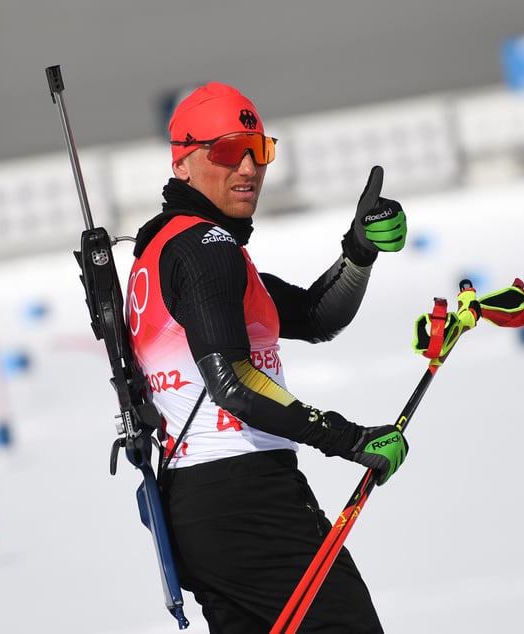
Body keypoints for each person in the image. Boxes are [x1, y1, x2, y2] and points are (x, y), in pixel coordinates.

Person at [125, 81, 408, 633]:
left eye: (261, 151)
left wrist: (359, 252)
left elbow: (314, 317)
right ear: (183, 162)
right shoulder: (205, 251)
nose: (249, 168)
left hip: (205, 504)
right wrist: (346, 438)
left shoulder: (175, 247)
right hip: (245, 498)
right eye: (229, 151)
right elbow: (233, 383)